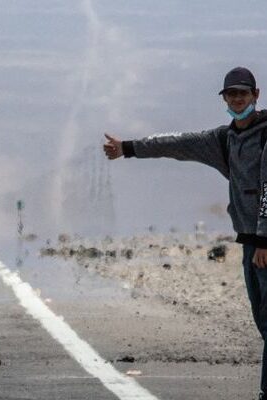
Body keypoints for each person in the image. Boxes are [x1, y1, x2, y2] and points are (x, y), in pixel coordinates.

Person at [103, 66, 267, 399]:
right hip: (251, 244)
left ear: (256, 96)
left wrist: (265, 239)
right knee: (263, 323)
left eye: (243, 94)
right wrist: (129, 148)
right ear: (225, 99)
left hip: (265, 244)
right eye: (231, 94)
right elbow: (179, 144)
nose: (238, 100)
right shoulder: (224, 139)